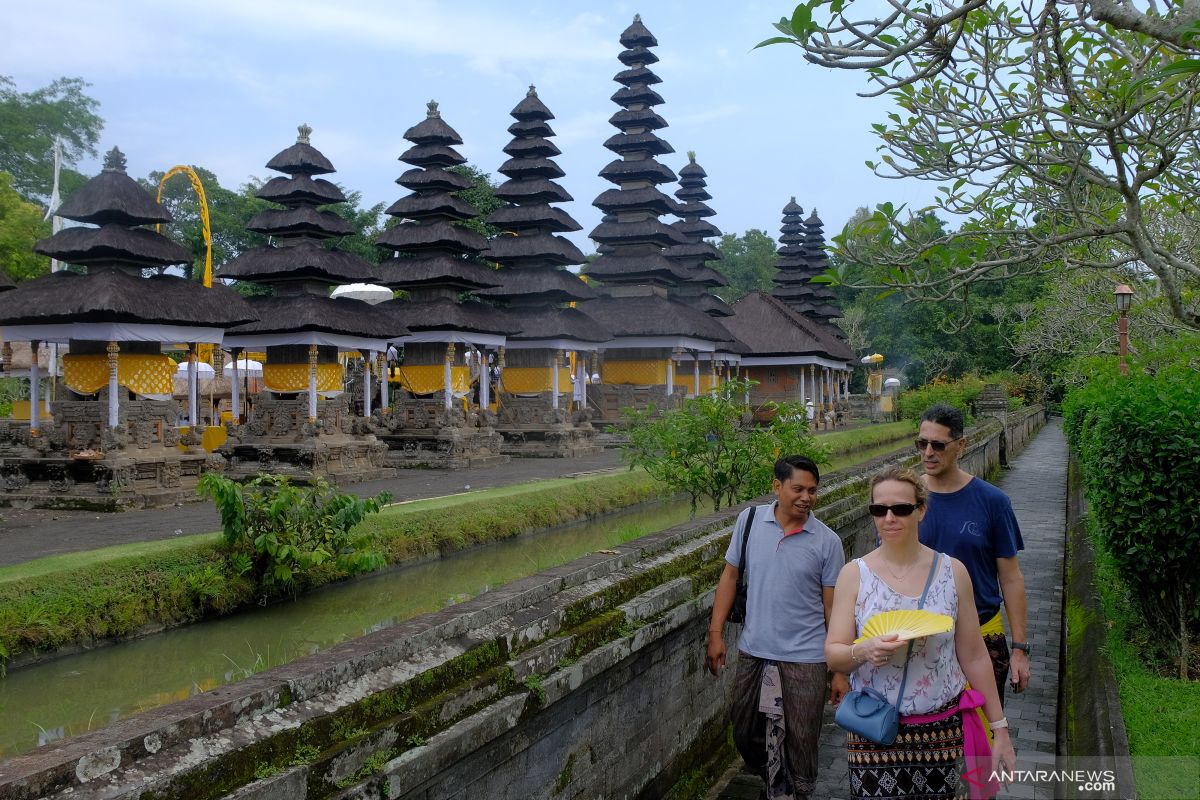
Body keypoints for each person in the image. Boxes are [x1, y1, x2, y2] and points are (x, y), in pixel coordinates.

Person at [826, 466, 1016, 799]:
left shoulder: (952, 572)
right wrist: (864, 650)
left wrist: (999, 728)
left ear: (921, 510)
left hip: (943, 730)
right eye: (879, 510)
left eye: (901, 509)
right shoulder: (854, 575)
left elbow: (973, 654)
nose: (889, 518)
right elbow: (834, 653)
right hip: (874, 730)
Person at [707, 455, 848, 799]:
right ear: (777, 487)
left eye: (812, 491)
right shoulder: (750, 520)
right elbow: (730, 575)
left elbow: (835, 608)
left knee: (802, 741)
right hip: (755, 649)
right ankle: (773, 779)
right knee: (743, 730)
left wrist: (840, 670)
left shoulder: (826, 541)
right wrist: (715, 634)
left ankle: (790, 792)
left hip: (806, 658)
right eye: (798, 488)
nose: (806, 497)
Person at [916, 404, 1030, 702]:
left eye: (938, 445)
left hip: (982, 631)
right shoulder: (904, 501)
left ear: (961, 445)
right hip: (918, 637)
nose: (928, 452)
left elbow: (1011, 577)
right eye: (922, 443)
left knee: (985, 736)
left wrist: (1020, 648)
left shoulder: (993, 502)